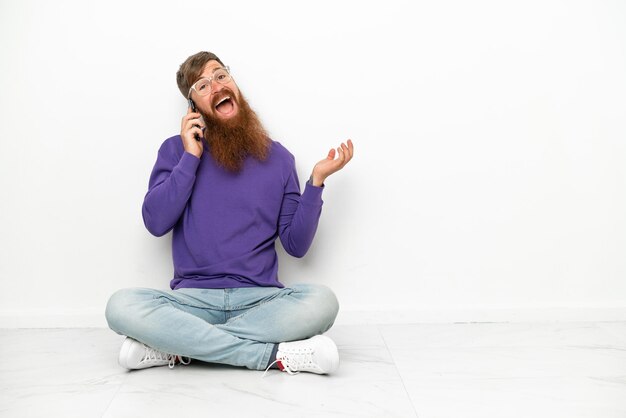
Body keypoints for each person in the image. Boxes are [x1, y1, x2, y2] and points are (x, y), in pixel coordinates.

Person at [104, 51, 354, 375]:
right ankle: (272, 356)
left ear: (233, 84)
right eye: (203, 85)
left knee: (323, 302)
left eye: (221, 76)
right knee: (120, 306)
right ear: (193, 107)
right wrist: (190, 159)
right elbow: (155, 222)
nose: (217, 86)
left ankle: (176, 348)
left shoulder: (279, 158)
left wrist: (316, 182)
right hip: (193, 303)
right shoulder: (176, 151)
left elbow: (296, 245)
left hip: (261, 303)